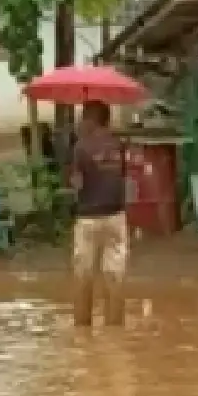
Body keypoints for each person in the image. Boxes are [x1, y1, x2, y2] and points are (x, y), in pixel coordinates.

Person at [69, 99, 129, 329]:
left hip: (88, 219)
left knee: (83, 276)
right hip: (115, 217)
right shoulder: (118, 145)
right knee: (115, 276)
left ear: (91, 119)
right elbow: (122, 178)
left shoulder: (80, 147)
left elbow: (77, 184)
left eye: (83, 117)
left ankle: (82, 329)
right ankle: (115, 328)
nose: (80, 122)